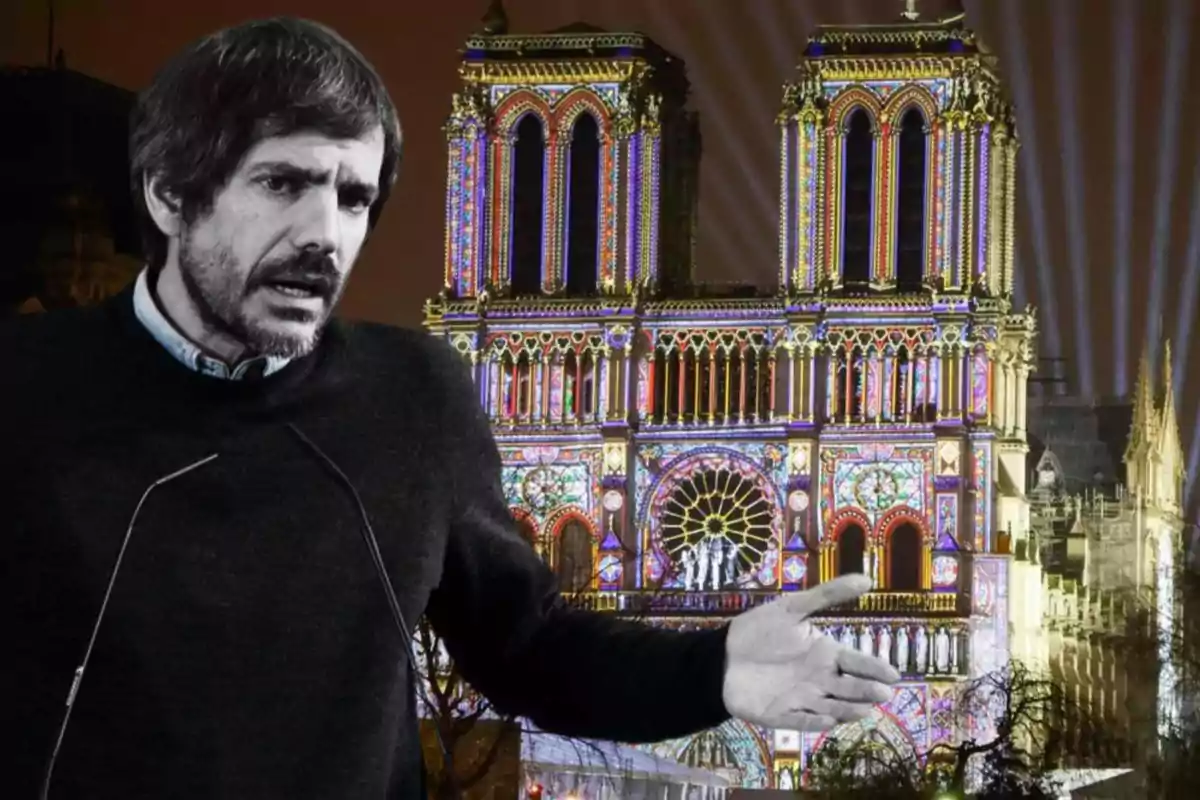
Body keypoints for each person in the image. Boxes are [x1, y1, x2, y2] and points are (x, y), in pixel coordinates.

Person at [4, 17, 899, 799]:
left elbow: (530, 645)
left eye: (353, 196)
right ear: (169, 193)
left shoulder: (413, 398)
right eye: (282, 182)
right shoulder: (24, 388)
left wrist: (712, 672)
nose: (325, 234)